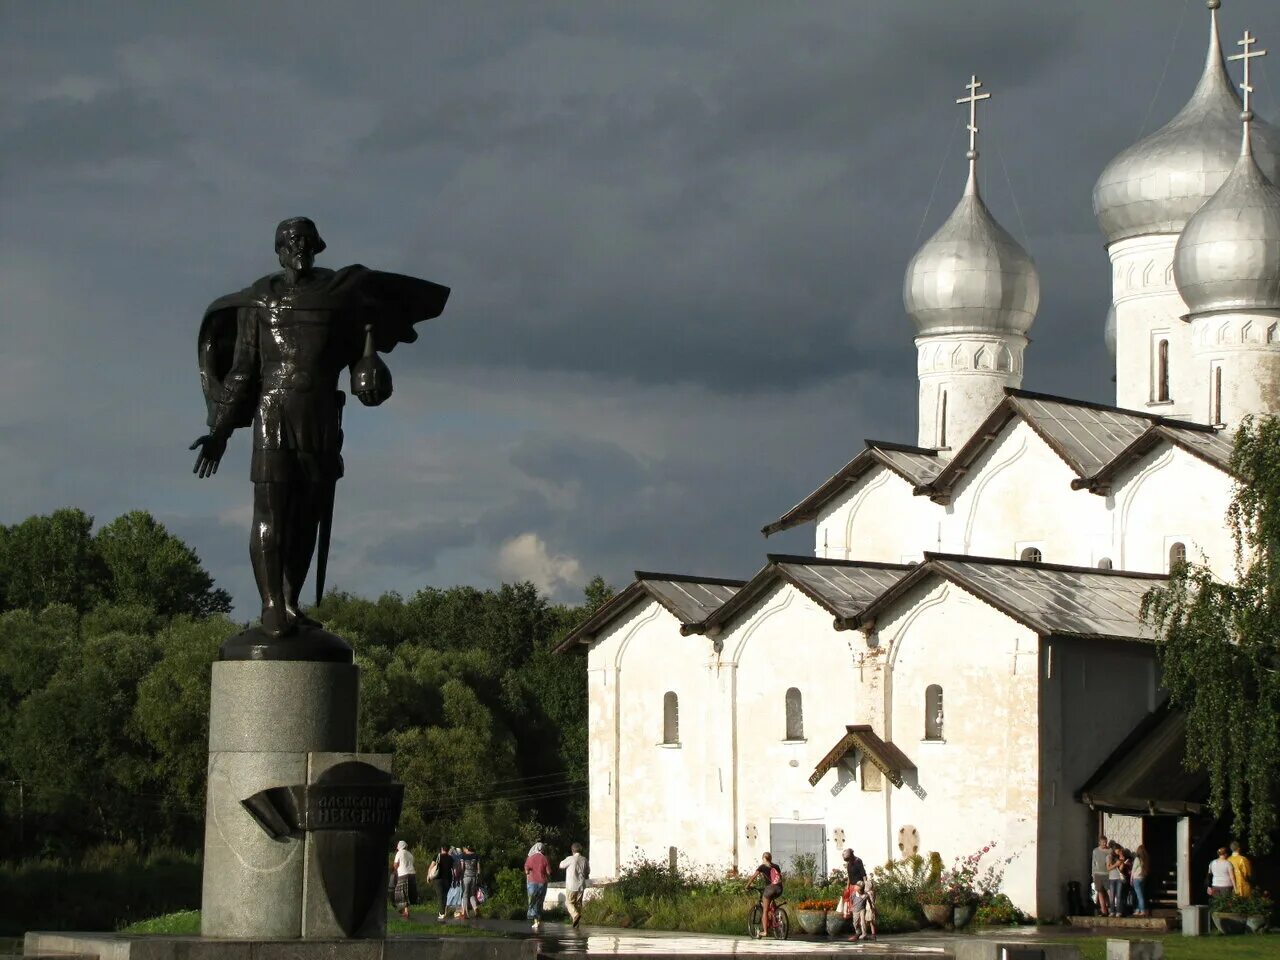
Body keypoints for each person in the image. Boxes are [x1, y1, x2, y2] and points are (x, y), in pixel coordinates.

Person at [190, 217, 449, 639]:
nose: (299, 247)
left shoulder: (339, 296)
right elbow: (241, 371)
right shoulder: (260, 301)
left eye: (307, 241)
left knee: (307, 515)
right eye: (292, 241)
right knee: (271, 510)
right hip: (273, 411)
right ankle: (272, 606)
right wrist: (220, 431)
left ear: (317, 246)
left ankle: (291, 601)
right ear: (278, 248)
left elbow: (360, 366)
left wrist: (370, 374)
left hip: (321, 414)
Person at [746, 852, 784, 938]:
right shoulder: (776, 866)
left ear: (763, 858)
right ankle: (775, 917)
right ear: (771, 858)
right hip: (779, 889)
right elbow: (779, 878)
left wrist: (747, 886)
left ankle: (765, 932)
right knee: (771, 904)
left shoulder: (762, 866)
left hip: (770, 889)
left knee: (765, 910)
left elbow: (753, 877)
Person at [559, 842, 590, 929]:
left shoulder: (570, 858)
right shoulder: (584, 859)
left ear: (572, 850)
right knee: (578, 904)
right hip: (581, 885)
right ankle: (576, 923)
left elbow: (561, 865)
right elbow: (588, 872)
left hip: (571, 885)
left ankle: (575, 915)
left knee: (568, 902)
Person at [525, 841, 552, 932]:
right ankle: (538, 920)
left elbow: (526, 871)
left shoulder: (530, 858)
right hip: (542, 882)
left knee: (533, 901)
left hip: (532, 882)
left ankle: (535, 920)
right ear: (542, 849)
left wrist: (529, 873)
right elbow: (549, 872)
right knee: (540, 901)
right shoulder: (545, 858)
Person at [391, 840, 417, 920]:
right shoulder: (410, 854)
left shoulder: (399, 853)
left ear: (400, 846)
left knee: (399, 893)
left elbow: (395, 865)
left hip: (403, 874)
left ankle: (402, 910)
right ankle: (406, 911)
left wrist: (395, 871)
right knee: (407, 893)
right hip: (412, 874)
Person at [431, 845, 454, 921]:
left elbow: (432, 866)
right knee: (445, 896)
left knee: (440, 896)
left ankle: (441, 913)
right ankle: (443, 912)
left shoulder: (437, 856)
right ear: (448, 850)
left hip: (438, 879)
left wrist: (428, 876)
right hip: (447, 879)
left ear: (441, 849)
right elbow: (453, 869)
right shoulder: (451, 858)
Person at [457, 845, 481, 919]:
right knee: (472, 895)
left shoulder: (463, 856)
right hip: (473, 877)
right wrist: (478, 877)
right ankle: (476, 909)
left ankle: (465, 913)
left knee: (465, 895)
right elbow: (479, 869)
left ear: (468, 849)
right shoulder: (476, 856)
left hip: (466, 877)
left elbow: (462, 868)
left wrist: (459, 876)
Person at [1091, 836, 1111, 916]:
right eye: (1103, 842)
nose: (1105, 844)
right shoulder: (1095, 851)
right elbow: (1093, 863)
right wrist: (1093, 873)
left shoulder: (1109, 850)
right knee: (1100, 892)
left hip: (1107, 873)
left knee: (1109, 892)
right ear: (1099, 842)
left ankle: (1111, 909)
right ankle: (1103, 911)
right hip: (1098, 873)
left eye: (1106, 842)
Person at [1106, 842, 1127, 917]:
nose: (1118, 852)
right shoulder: (1109, 857)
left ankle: (1118, 911)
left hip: (1119, 878)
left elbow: (1121, 869)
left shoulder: (1120, 857)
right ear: (1114, 850)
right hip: (1112, 878)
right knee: (1112, 896)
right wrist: (1116, 864)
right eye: (1118, 850)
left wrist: (1122, 860)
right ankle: (1112, 911)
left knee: (1119, 895)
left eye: (1119, 851)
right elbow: (1108, 868)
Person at [1130, 845, 1149, 917]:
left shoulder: (1137, 859)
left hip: (1136, 878)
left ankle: (1143, 910)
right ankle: (1138, 909)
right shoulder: (1145, 859)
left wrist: (1131, 878)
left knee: (1139, 895)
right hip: (1142, 877)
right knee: (1140, 894)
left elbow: (1133, 869)